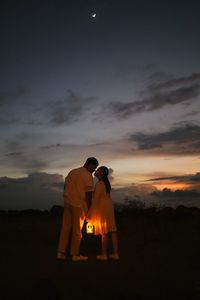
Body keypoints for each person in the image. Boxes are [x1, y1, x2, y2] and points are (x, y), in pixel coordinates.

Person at [57, 157, 99, 261]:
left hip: (67, 202)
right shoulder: (88, 176)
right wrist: (89, 209)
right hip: (79, 205)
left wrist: (66, 195)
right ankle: (75, 254)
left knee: (65, 228)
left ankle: (60, 253)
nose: (94, 170)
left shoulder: (73, 171)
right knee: (77, 230)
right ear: (90, 164)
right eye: (94, 167)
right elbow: (89, 194)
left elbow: (65, 185)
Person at [87, 166, 119, 260]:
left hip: (103, 209)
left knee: (104, 232)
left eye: (98, 170)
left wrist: (90, 212)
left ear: (101, 174)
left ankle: (104, 254)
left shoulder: (100, 184)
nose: (95, 171)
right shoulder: (106, 184)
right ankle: (115, 254)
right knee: (112, 231)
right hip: (109, 208)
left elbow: (95, 200)